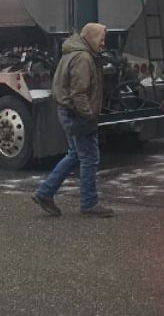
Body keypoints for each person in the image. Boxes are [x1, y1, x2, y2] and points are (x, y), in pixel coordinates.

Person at [33, 22, 115, 218]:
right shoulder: (83, 58)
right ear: (91, 38)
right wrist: (89, 116)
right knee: (89, 158)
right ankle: (89, 203)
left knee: (75, 155)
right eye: (101, 39)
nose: (103, 44)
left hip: (68, 112)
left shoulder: (73, 52)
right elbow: (79, 93)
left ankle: (45, 192)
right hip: (77, 115)